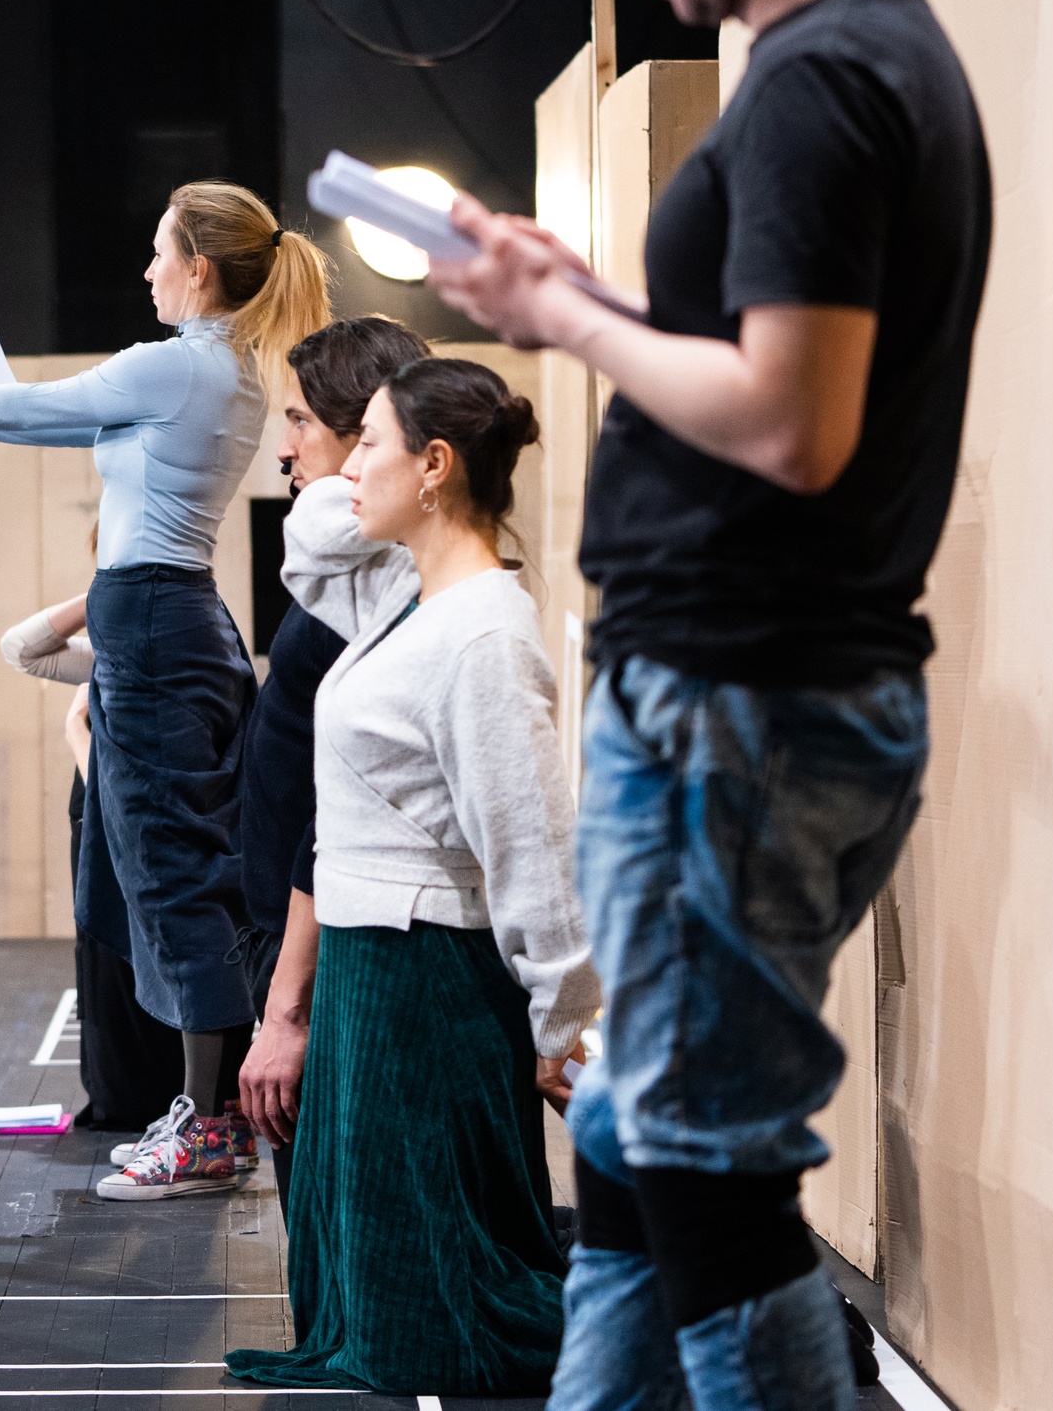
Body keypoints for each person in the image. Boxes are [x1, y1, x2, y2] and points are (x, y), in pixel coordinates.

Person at [424, 0, 991, 1404]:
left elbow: (792, 420)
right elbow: (764, 370)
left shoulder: (822, 82)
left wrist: (567, 322)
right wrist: (578, 294)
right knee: (635, 1134)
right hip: (751, 696)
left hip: (743, 702)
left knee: (703, 1171)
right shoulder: (860, 64)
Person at [0, 182, 331, 1200]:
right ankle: (202, 1111)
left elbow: (42, 406)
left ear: (200, 268)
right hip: (169, 618)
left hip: (155, 621)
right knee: (168, 868)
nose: (147, 269)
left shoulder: (178, 365)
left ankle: (210, 1127)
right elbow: (56, 428)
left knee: (171, 875)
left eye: (160, 252)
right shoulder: (217, 372)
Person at [227, 357, 598, 1398]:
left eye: (372, 447)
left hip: (426, 974)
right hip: (370, 965)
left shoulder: (482, 630)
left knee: (444, 1311)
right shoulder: (402, 598)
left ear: (434, 465)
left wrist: (560, 1015)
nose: (346, 472)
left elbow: (532, 841)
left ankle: (714, 1325)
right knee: (386, 1299)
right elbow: (310, 541)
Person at [228, 315, 429, 1209]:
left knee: (339, 1219)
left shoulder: (393, 582)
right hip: (292, 931)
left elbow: (337, 812)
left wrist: (286, 1008)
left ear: (370, 433)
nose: (285, 448)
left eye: (302, 420)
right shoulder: (359, 574)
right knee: (322, 1220)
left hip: (323, 946)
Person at [0, 596, 181, 1135]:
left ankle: (155, 1102)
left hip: (130, 824)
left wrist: (76, 733)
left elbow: (125, 788)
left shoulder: (179, 651)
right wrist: (101, 591)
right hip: (102, 818)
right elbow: (21, 648)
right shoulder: (113, 651)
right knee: (108, 960)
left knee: (136, 962)